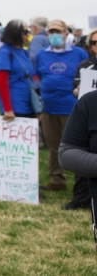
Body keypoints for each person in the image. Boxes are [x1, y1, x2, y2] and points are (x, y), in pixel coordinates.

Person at [35, 19, 88, 192]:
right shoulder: (42, 54)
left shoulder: (79, 53)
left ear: (66, 34)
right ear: (47, 34)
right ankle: (57, 179)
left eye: (58, 32)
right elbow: (38, 76)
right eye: (52, 32)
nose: (55, 35)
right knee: (53, 144)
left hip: (71, 106)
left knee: (77, 145)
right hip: (48, 106)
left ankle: (83, 182)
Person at [65, 27, 97, 210]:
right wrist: (77, 90)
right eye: (94, 42)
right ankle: (80, 198)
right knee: (83, 157)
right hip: (88, 117)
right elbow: (75, 88)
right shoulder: (85, 66)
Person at [0, 19, 37, 120]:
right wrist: (7, 108)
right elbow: (1, 80)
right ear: (15, 33)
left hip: (28, 102)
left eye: (29, 32)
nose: (28, 35)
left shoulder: (24, 52)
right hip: (14, 105)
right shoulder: (4, 52)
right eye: (25, 32)